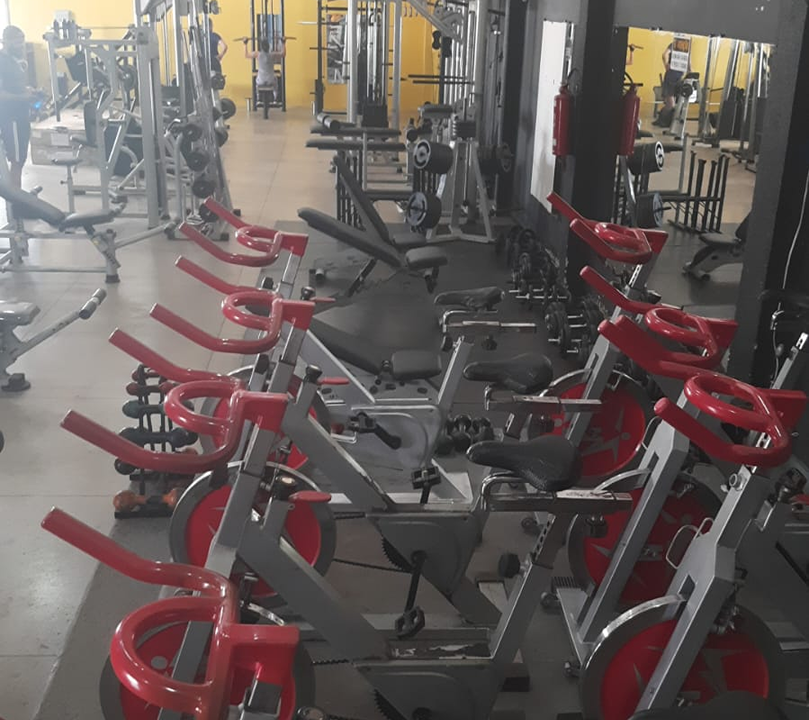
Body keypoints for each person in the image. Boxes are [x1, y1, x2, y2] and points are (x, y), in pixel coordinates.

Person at [0, 25, 32, 189]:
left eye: (22, 41)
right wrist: (22, 97)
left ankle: (17, 197)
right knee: (16, 160)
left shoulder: (14, 60)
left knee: (21, 159)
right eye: (17, 42)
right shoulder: (1, 61)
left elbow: (15, 85)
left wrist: (30, 91)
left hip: (22, 115)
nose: (21, 46)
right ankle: (16, 200)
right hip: (10, 117)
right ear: (5, 41)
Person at [244, 36, 286, 116]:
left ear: (261, 47)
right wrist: (283, 43)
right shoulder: (272, 54)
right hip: (270, 80)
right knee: (276, 80)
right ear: (268, 47)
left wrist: (245, 43)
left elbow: (246, 55)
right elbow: (283, 54)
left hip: (261, 80)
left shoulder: (257, 54)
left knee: (256, 81)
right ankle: (275, 97)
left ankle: (257, 97)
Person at [655, 40, 689, 127]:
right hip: (674, 76)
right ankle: (662, 121)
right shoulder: (679, 45)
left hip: (676, 76)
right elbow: (664, 55)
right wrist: (666, 65)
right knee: (671, 104)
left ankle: (662, 120)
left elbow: (688, 62)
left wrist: (666, 64)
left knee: (671, 103)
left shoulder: (681, 45)